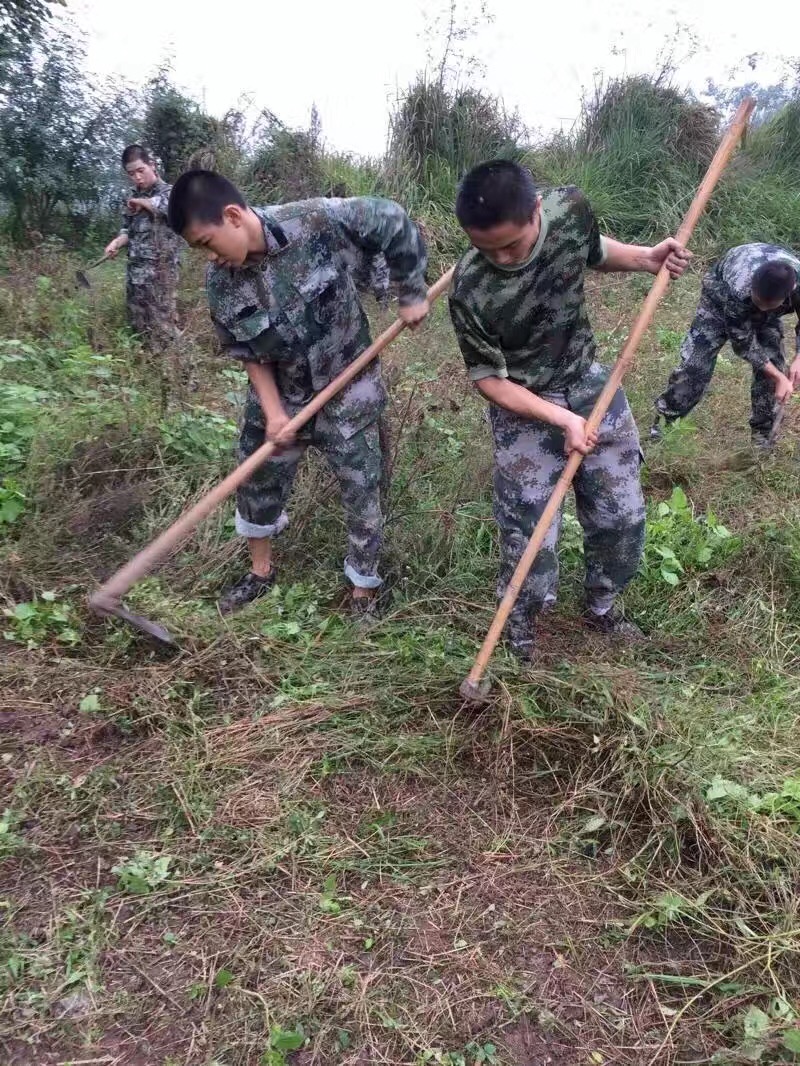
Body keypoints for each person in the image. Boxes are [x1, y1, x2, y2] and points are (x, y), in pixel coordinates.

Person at [448, 160, 690, 660]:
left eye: (510, 245)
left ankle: (602, 606)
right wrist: (560, 419)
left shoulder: (569, 209)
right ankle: (520, 631)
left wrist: (647, 258)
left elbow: (595, 251)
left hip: (588, 383)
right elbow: (490, 381)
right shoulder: (470, 288)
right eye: (484, 248)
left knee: (621, 515)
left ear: (536, 211)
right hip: (524, 404)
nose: (501, 258)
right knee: (530, 536)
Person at [166, 170, 429, 619]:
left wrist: (412, 291)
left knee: (362, 489)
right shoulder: (221, 282)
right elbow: (249, 352)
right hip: (283, 392)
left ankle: (363, 593)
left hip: (349, 385)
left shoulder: (317, 220)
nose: (209, 257)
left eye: (207, 243)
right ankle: (260, 573)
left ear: (233, 216)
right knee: (257, 479)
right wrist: (272, 413)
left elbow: (392, 219)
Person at [651, 243, 800, 447]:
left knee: (773, 373)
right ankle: (664, 426)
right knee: (695, 367)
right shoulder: (739, 286)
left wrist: (798, 360)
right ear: (753, 285)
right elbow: (743, 343)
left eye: (768, 304)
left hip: (770, 311)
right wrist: (779, 375)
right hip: (719, 301)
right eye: (758, 301)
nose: (761, 308)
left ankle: (763, 441)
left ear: (789, 293)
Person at [103, 145, 181, 349]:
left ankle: (178, 369)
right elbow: (127, 229)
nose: (137, 177)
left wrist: (140, 201)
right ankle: (147, 364)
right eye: (131, 174)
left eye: (141, 170)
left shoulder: (171, 192)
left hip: (161, 274)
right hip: (136, 273)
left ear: (152, 166)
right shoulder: (131, 197)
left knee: (164, 327)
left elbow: (166, 207)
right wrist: (116, 243)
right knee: (138, 325)